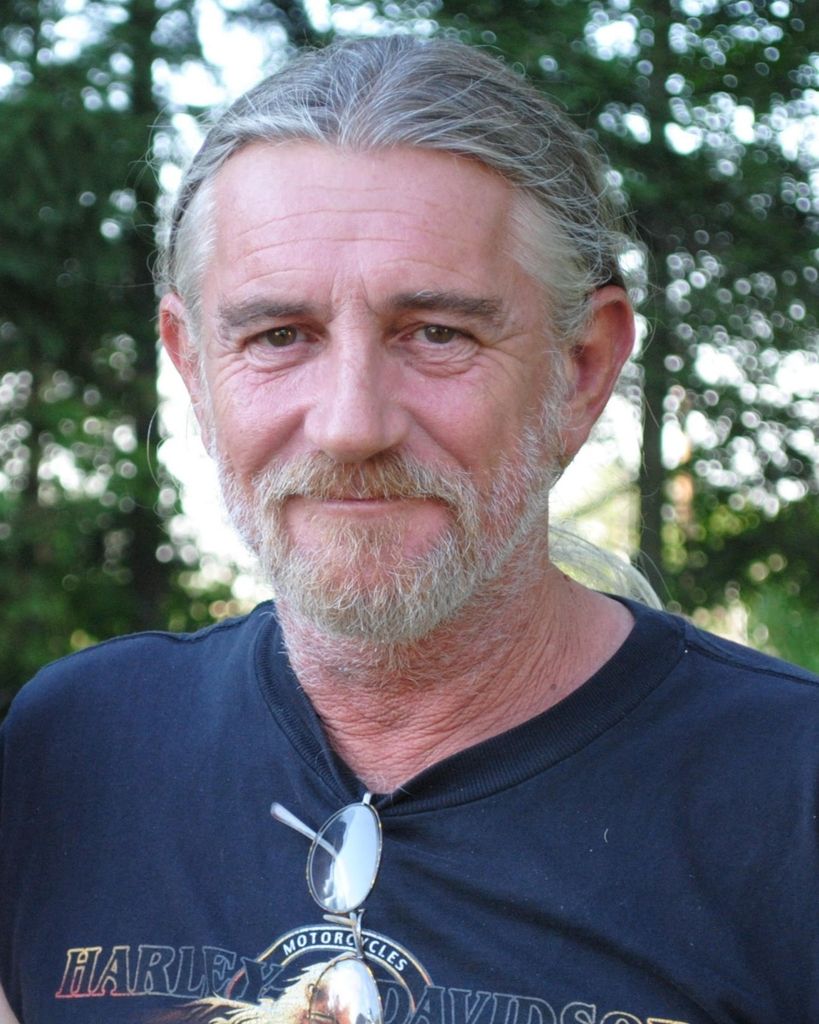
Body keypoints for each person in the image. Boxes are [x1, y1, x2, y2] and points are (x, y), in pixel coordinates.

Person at [1, 35, 817, 1024]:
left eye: (438, 334)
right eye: (278, 335)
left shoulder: (791, 794)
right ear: (193, 368)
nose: (352, 423)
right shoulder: (69, 754)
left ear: (582, 368)